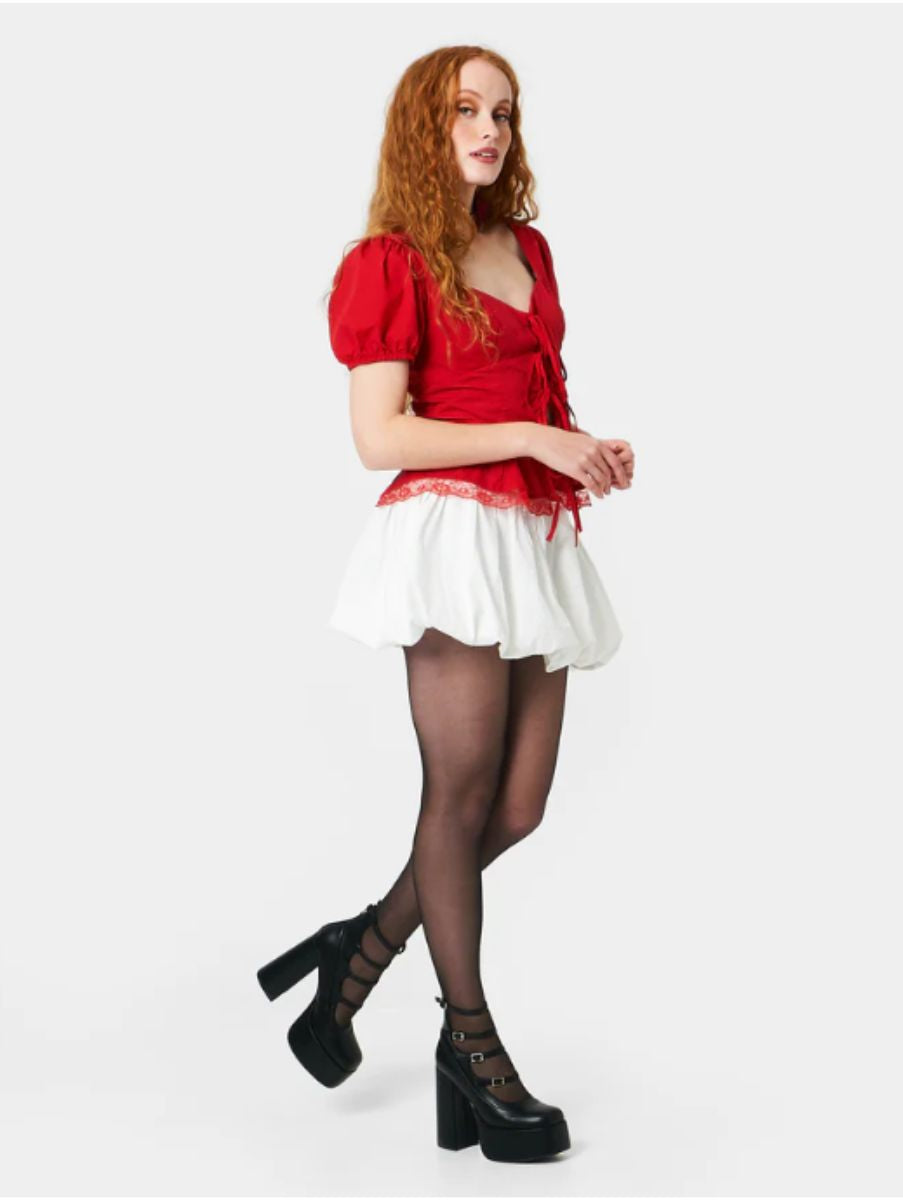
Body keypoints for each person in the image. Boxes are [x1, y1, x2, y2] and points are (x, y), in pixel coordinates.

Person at [257, 46, 634, 1164]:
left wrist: (580, 447)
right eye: (466, 109)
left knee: (515, 808)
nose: (489, 130)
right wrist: (532, 439)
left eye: (504, 113)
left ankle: (356, 954)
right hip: (453, 537)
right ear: (425, 125)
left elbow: (524, 393)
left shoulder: (528, 249)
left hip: (533, 537)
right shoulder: (389, 261)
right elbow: (380, 435)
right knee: (458, 797)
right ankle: (471, 1045)